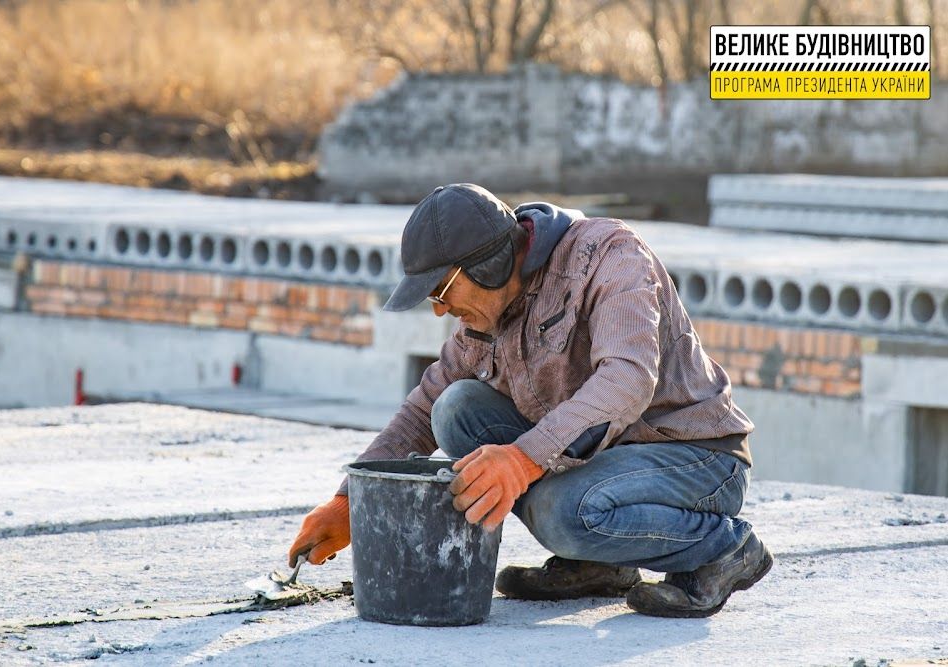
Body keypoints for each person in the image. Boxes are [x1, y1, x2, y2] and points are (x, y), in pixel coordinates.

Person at [288, 183, 772, 618]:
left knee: (567, 513)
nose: (438, 309)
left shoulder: (611, 256)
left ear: (488, 264)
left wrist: (522, 460)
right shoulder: (485, 316)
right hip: (608, 463)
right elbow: (421, 408)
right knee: (455, 408)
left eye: (441, 289)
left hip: (697, 459)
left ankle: (724, 549)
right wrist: (351, 500)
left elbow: (628, 378)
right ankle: (597, 562)